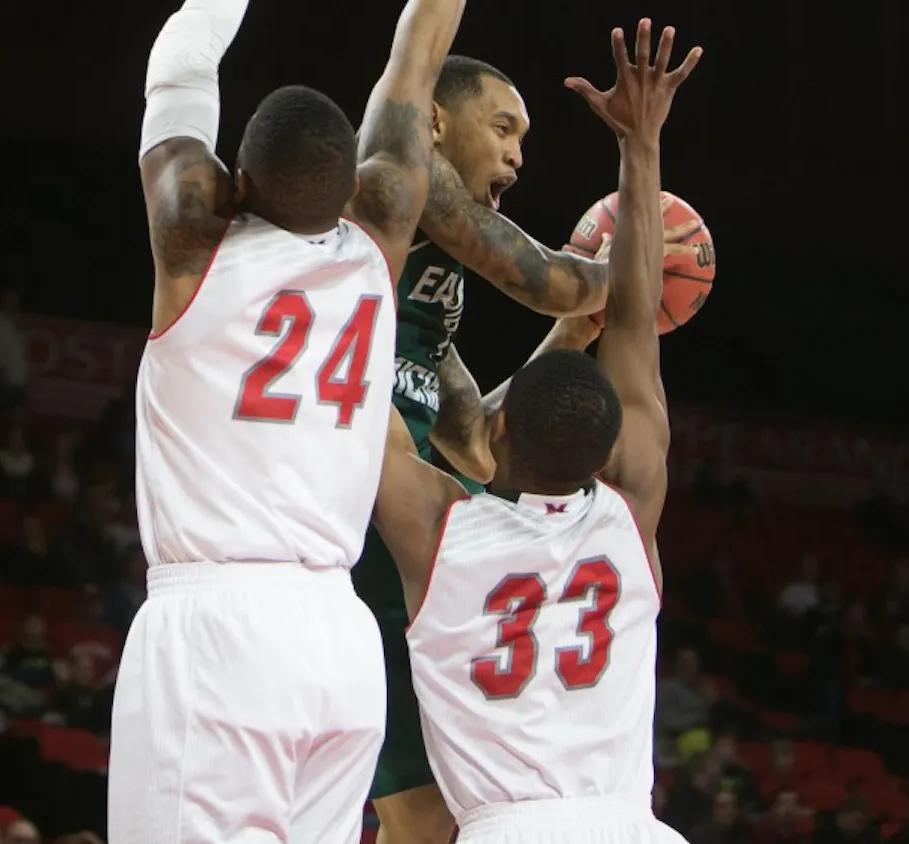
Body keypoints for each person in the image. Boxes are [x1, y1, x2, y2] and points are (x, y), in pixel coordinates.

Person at [108, 0, 465, 837]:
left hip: (217, 627)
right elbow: (411, 72)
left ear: (236, 182)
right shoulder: (378, 240)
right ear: (348, 191)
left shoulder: (193, 246)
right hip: (339, 644)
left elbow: (181, 66)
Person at [356, 53, 701, 844]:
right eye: (503, 126)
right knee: (402, 809)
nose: (518, 152)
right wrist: (623, 262)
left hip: (399, 524)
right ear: (433, 121)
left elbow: (478, 441)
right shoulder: (401, 188)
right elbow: (554, 279)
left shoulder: (440, 273)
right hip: (333, 524)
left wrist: (572, 338)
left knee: (418, 814)